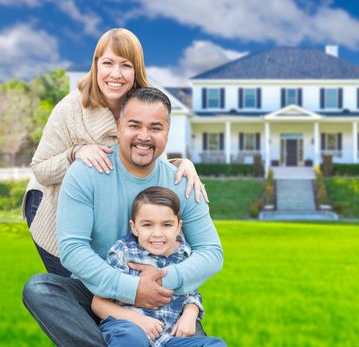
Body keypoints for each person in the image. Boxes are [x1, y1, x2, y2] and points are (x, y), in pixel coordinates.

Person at [22, 87, 223, 347]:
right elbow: (73, 250)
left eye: (155, 127)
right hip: (97, 289)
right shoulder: (86, 172)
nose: (144, 136)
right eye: (134, 125)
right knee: (40, 289)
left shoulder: (181, 181)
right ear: (118, 126)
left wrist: (164, 280)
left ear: (167, 131)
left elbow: (211, 252)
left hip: (164, 296)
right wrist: (132, 288)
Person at [23, 28, 208, 277]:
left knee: (111, 283)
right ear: (96, 65)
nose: (116, 74)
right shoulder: (70, 109)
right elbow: (40, 168)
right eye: (108, 63)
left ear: (137, 70)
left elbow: (149, 155)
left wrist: (181, 163)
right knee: (78, 288)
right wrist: (75, 152)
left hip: (103, 211)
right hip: (52, 204)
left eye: (126, 65)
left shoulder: (145, 103)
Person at [92, 186, 226, 347]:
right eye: (147, 225)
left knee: (216, 344)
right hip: (128, 327)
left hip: (168, 337)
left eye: (167, 225)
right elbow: (98, 303)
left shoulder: (184, 254)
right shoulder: (123, 252)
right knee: (132, 338)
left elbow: (191, 293)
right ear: (134, 227)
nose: (157, 233)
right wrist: (138, 320)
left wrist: (190, 314)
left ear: (178, 227)